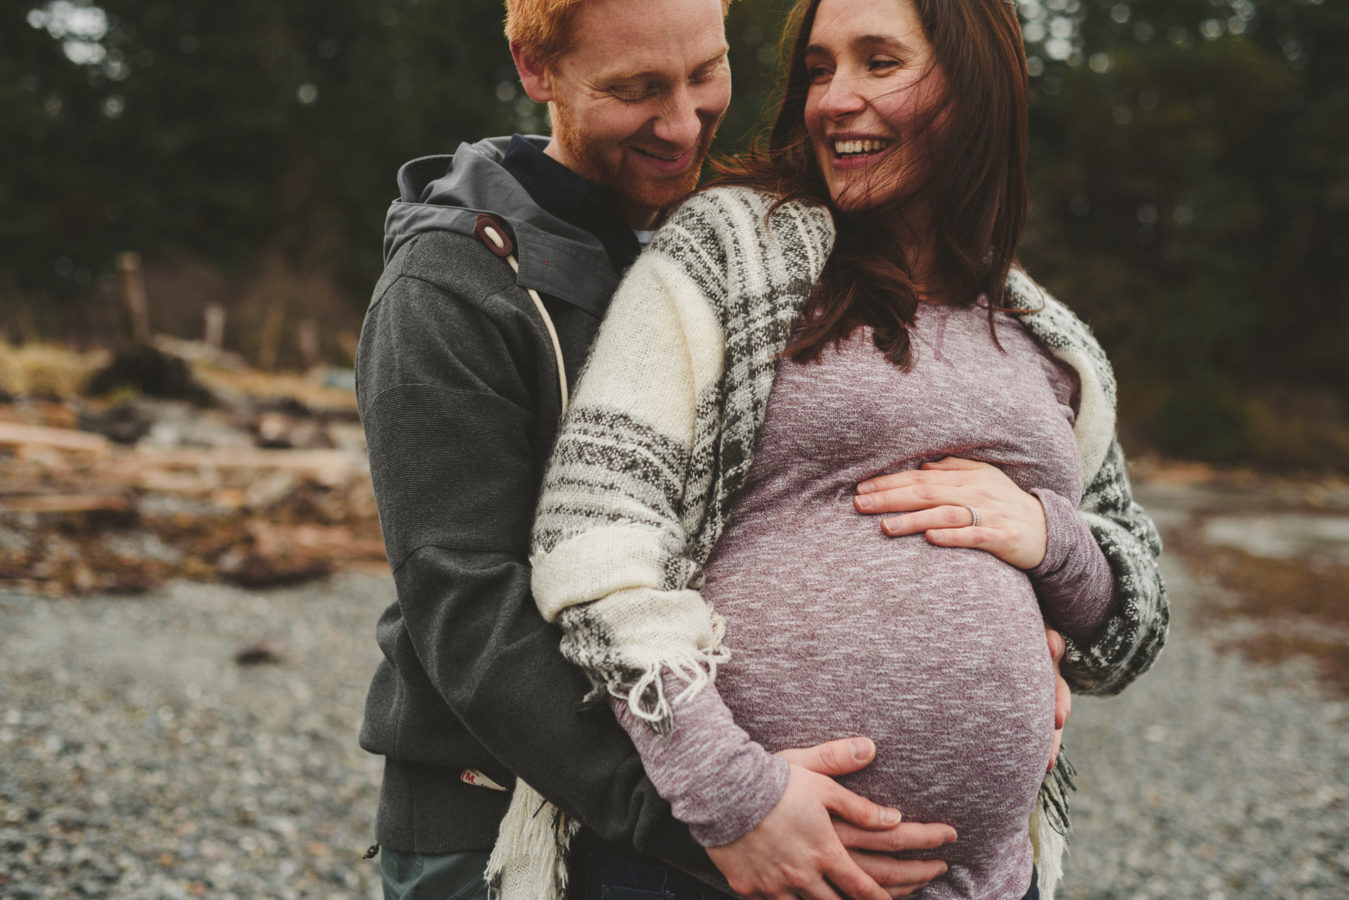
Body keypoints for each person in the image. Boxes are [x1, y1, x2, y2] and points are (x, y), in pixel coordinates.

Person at [502, 0, 1169, 898]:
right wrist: (730, 793)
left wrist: (1053, 539)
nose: (832, 100)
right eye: (818, 69)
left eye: (878, 62)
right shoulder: (734, 248)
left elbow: (1132, 625)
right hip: (706, 868)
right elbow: (594, 532)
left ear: (975, 87)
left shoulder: (1046, 341)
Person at [355, 0, 1008, 897]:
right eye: (635, 90)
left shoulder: (750, 239)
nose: (681, 123)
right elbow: (465, 606)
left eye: (705, 74)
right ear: (535, 69)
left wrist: (1028, 608)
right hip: (500, 819)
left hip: (706, 811)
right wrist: (709, 811)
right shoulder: (449, 289)